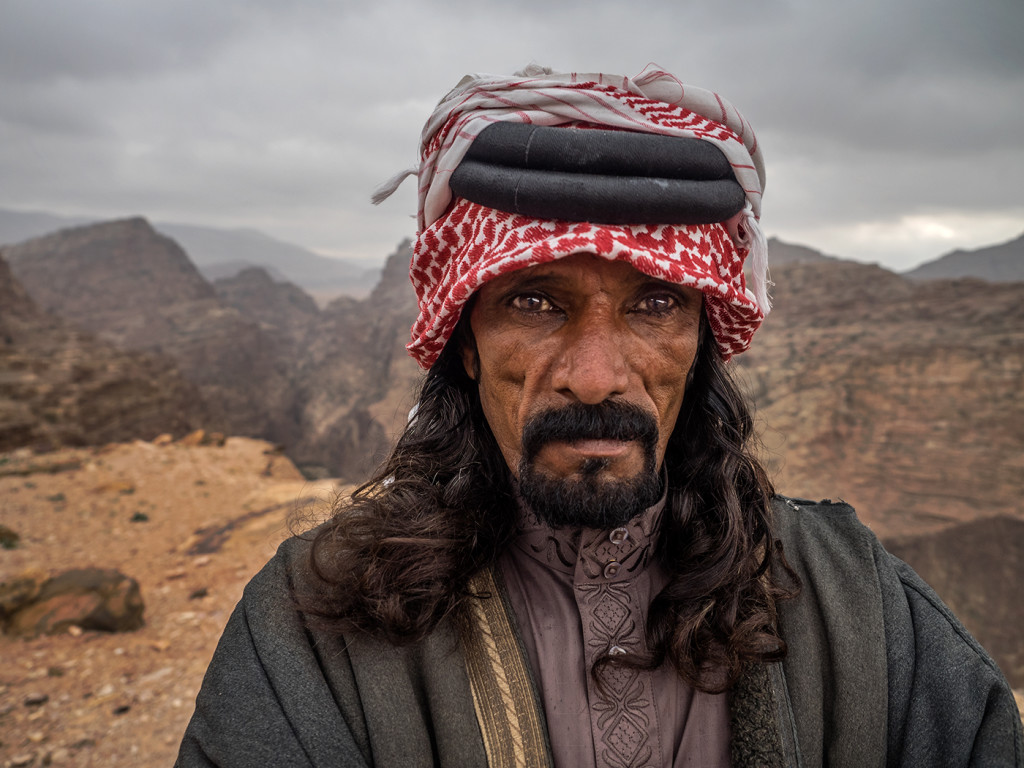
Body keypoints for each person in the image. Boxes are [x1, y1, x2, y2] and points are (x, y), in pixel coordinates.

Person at [176, 65, 1023, 767]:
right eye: (536, 302)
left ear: (701, 339)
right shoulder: (311, 628)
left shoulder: (857, 605)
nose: (594, 377)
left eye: (654, 303)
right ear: (465, 343)